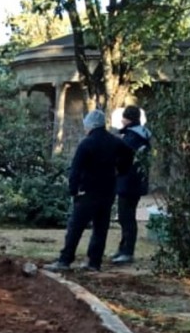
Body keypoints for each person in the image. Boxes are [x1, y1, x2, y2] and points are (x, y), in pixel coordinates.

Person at [45, 110, 133, 272]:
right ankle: (94, 262)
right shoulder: (114, 141)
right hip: (107, 191)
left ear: (91, 125)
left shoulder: (87, 143)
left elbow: (76, 169)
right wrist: (121, 170)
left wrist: (73, 190)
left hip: (88, 191)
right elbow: (129, 153)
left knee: (75, 227)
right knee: (100, 228)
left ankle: (65, 260)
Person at [111, 105, 152, 265]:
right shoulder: (141, 135)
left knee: (126, 217)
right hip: (135, 181)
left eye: (123, 117)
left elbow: (122, 158)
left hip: (129, 181)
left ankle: (127, 251)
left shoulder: (131, 138)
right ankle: (124, 249)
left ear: (128, 119)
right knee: (127, 216)